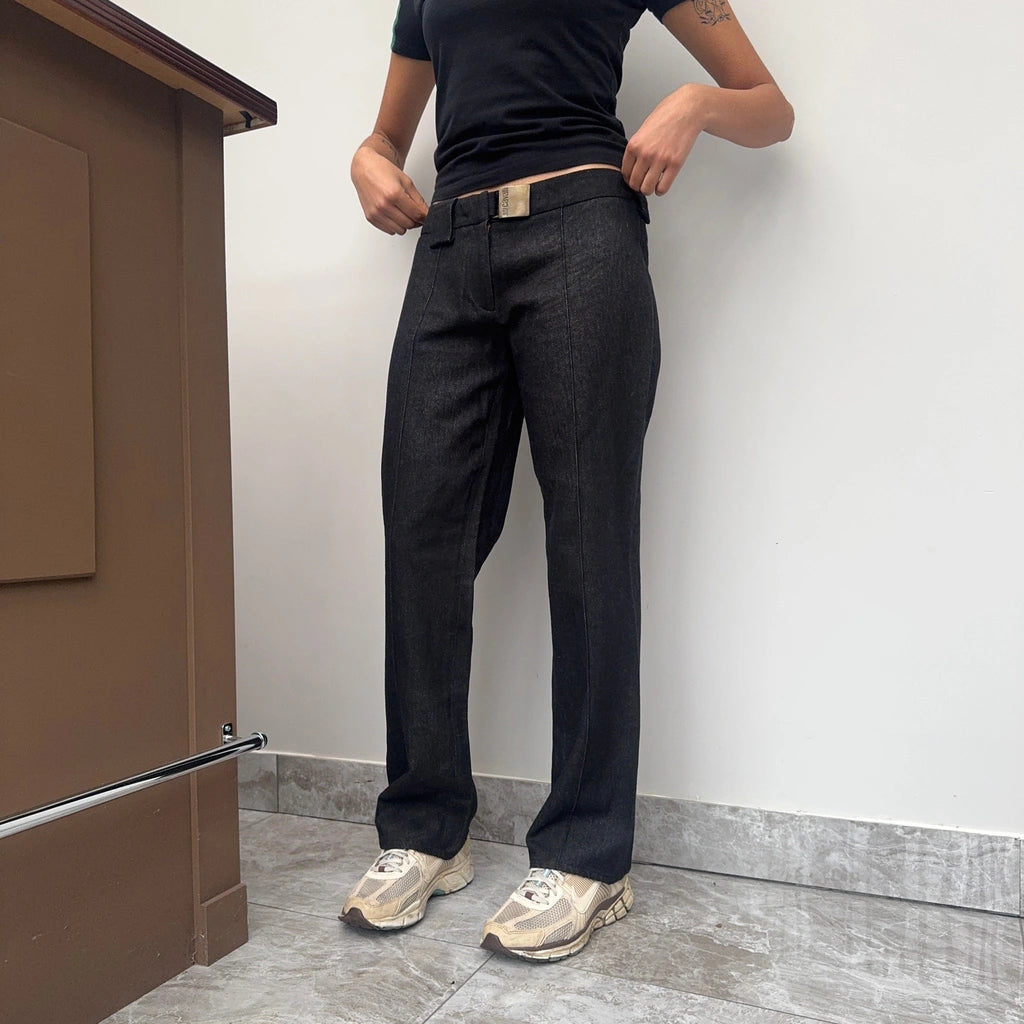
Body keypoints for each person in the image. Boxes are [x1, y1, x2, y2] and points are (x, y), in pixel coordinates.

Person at [340, 0, 793, 962]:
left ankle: (588, 853)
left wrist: (696, 104)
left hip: (583, 232)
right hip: (449, 249)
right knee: (422, 537)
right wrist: (368, 161)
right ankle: (425, 829)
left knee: (589, 538)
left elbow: (770, 106)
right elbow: (387, 136)